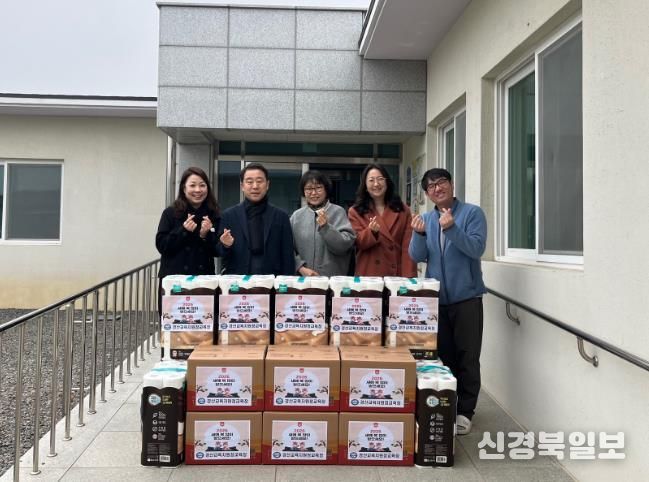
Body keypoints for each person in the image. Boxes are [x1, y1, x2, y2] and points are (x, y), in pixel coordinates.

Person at [408, 168, 487, 435]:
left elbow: (476, 248)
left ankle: (465, 411)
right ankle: (447, 407)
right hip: (437, 300)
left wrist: (451, 228)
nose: (437, 188)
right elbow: (416, 256)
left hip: (467, 298)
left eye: (441, 182)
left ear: (451, 185)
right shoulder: (427, 219)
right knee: (445, 356)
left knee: (468, 356)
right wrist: (418, 235)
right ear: (427, 193)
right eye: (430, 186)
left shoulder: (472, 213)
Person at [156, 167, 228, 310]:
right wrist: (183, 231)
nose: (198, 190)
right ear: (184, 188)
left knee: (203, 321)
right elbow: (161, 245)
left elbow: (216, 251)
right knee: (174, 320)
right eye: (192, 185)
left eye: (202, 185)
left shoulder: (213, 214)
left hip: (203, 281)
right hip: (174, 281)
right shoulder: (170, 213)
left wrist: (205, 235)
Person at [217, 163, 294, 275]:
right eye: (249, 182)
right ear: (242, 186)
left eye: (259, 181)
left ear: (267, 185)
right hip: (238, 278)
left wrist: (287, 282)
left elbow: (288, 256)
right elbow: (219, 251)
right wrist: (225, 245)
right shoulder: (229, 215)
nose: (255, 186)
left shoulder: (281, 216)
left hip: (271, 278)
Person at [348, 163, 417, 277]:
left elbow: (408, 247)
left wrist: (408, 278)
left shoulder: (403, 209)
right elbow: (358, 243)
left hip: (395, 276)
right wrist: (371, 232)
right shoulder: (355, 211)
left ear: (387, 182)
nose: (376, 184)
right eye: (371, 180)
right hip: (369, 275)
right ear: (365, 185)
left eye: (380, 179)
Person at [290, 170, 356, 277]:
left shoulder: (338, 212)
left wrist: (326, 228)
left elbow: (344, 246)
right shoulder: (296, 217)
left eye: (318, 188)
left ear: (326, 190)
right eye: (309, 189)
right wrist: (300, 267)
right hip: (304, 280)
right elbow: (287, 247)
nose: (313, 193)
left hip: (333, 280)